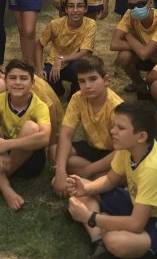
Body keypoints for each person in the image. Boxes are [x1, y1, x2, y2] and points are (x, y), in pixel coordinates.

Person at [67, 102, 157, 259]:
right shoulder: (129, 148)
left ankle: (103, 229)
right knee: (80, 187)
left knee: (116, 241)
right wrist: (86, 189)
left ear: (141, 136)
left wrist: (90, 218)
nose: (112, 131)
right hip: (139, 204)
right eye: (114, 125)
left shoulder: (154, 168)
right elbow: (110, 179)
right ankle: (99, 241)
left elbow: (136, 224)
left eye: (120, 128)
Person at [0, 59, 51, 211]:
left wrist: (6, 145)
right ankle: (5, 186)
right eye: (13, 78)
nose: (17, 82)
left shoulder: (39, 106)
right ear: (6, 81)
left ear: (32, 82)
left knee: (31, 127)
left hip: (30, 161)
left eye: (23, 78)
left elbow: (45, 137)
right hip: (2, 159)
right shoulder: (0, 99)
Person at [0, 61, 63, 163]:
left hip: (46, 129)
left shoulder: (25, 84)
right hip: (20, 131)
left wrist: (52, 144)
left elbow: (51, 108)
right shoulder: (3, 95)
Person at [53, 56, 123, 198]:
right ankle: (99, 180)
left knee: (121, 171)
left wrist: (88, 169)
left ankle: (94, 178)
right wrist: (60, 171)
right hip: (93, 148)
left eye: (92, 79)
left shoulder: (117, 107)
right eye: (82, 81)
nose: (87, 86)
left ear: (105, 80)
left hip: (115, 153)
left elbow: (122, 150)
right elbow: (66, 134)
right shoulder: (77, 98)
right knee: (54, 151)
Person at [110, 0, 157, 96]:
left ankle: (152, 82)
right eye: (131, 5)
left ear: (150, 3)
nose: (136, 8)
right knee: (124, 56)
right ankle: (139, 84)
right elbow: (114, 44)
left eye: (140, 4)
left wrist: (127, 34)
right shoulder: (129, 14)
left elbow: (144, 54)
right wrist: (142, 47)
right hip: (146, 55)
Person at [36, 0, 97, 98]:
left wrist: (61, 59)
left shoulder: (90, 24)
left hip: (74, 62)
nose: (75, 10)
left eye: (80, 6)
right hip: (53, 63)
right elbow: (39, 45)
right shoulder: (55, 24)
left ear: (86, 8)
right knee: (45, 87)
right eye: (71, 6)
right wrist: (39, 68)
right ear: (66, 9)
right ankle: (58, 87)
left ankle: (74, 95)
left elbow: (84, 52)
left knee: (83, 68)